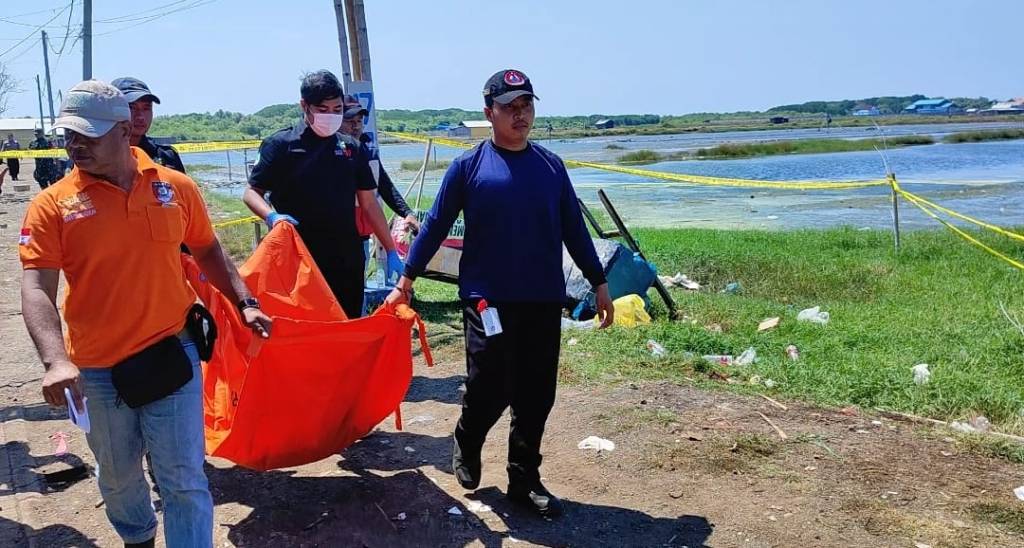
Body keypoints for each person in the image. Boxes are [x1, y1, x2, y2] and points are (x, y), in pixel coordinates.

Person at [19, 80, 272, 548]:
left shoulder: (174, 187)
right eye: (69, 135)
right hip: (96, 369)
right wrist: (56, 361)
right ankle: (138, 538)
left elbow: (207, 248)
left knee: (183, 477)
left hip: (170, 351)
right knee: (118, 479)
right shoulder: (52, 205)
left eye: (87, 135)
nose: (75, 145)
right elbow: (36, 287)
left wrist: (246, 302)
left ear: (123, 131)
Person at [386, 69, 614, 518]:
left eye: (526, 105)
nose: (520, 114)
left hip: (542, 297)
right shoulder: (468, 167)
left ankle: (524, 479)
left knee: (536, 393)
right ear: (489, 112)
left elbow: (574, 228)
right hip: (486, 297)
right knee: (489, 381)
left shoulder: (551, 167)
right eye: (510, 106)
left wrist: (599, 281)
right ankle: (468, 437)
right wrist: (405, 280)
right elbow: (434, 225)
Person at [244, 70, 402, 318]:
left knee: (347, 323)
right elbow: (251, 192)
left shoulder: (351, 147)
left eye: (337, 109)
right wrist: (271, 216)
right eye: (322, 109)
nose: (330, 115)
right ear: (304, 106)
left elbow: (369, 204)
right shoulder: (281, 145)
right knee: (306, 328)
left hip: (346, 259)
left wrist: (391, 250)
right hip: (298, 258)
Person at [339, 94, 420, 305]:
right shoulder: (331, 154)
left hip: (362, 236)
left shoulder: (367, 152)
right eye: (350, 121)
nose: (356, 126)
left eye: (359, 121)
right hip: (336, 236)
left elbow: (384, 185)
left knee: (356, 291)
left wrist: (406, 213)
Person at [111, 77, 186, 173]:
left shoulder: (166, 156)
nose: (140, 116)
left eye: (146, 108)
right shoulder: (98, 156)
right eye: (132, 107)